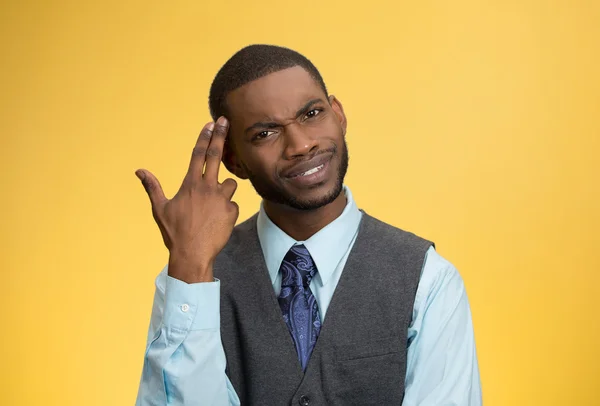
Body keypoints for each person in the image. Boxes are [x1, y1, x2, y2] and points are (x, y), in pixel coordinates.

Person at [134, 44, 482, 406]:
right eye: (264, 134)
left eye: (312, 113)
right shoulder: (190, 283)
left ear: (339, 114)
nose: (300, 145)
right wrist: (190, 266)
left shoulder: (427, 280)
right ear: (234, 162)